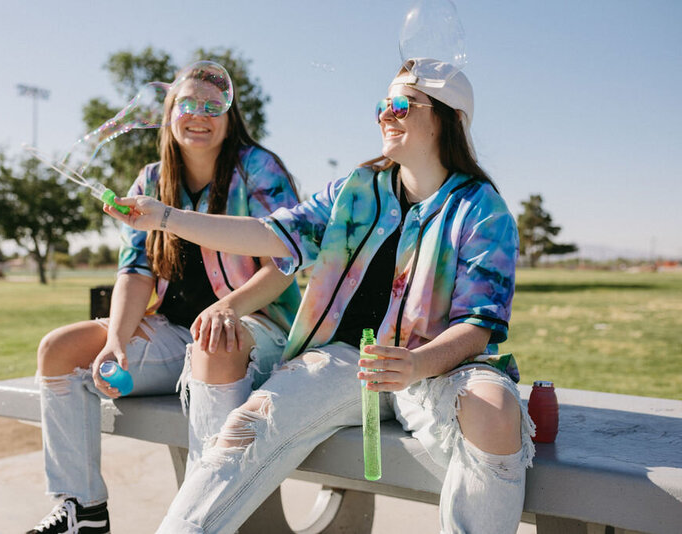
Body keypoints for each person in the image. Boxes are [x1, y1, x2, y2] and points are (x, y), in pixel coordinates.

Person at [106, 58, 534, 534]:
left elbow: (478, 325)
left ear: (448, 117)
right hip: (344, 360)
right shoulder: (356, 190)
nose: (384, 115)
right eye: (381, 105)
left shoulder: (482, 210)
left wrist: (415, 364)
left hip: (439, 369)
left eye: (400, 104)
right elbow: (271, 235)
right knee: (246, 430)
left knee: (496, 410)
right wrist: (164, 217)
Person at [27, 61, 301, 534]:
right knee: (59, 351)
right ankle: (84, 510)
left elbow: (286, 258)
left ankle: (202, 520)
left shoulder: (258, 169)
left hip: (257, 328)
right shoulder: (152, 180)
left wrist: (228, 306)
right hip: (178, 334)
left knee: (213, 339)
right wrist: (116, 339)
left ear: (230, 116)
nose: (200, 114)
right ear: (169, 114)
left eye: (213, 105)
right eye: (187, 104)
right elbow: (135, 272)